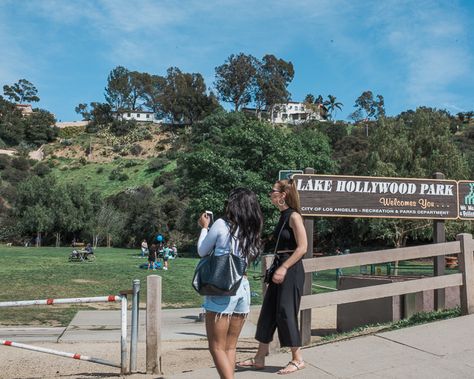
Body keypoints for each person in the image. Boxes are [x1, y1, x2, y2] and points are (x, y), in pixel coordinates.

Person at [237, 178, 308, 375]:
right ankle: (260, 358)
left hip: (291, 270)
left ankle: (297, 358)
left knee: (286, 312)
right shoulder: (283, 215)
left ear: (282, 195)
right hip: (280, 266)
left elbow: (303, 248)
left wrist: (284, 267)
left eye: (273, 191)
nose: (270, 193)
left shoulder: (294, 216)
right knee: (268, 311)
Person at [197, 188, 263, 379]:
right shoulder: (252, 229)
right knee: (230, 346)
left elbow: (202, 251)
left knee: (216, 347)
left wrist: (204, 227)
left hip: (222, 288)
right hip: (242, 285)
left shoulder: (220, 224)